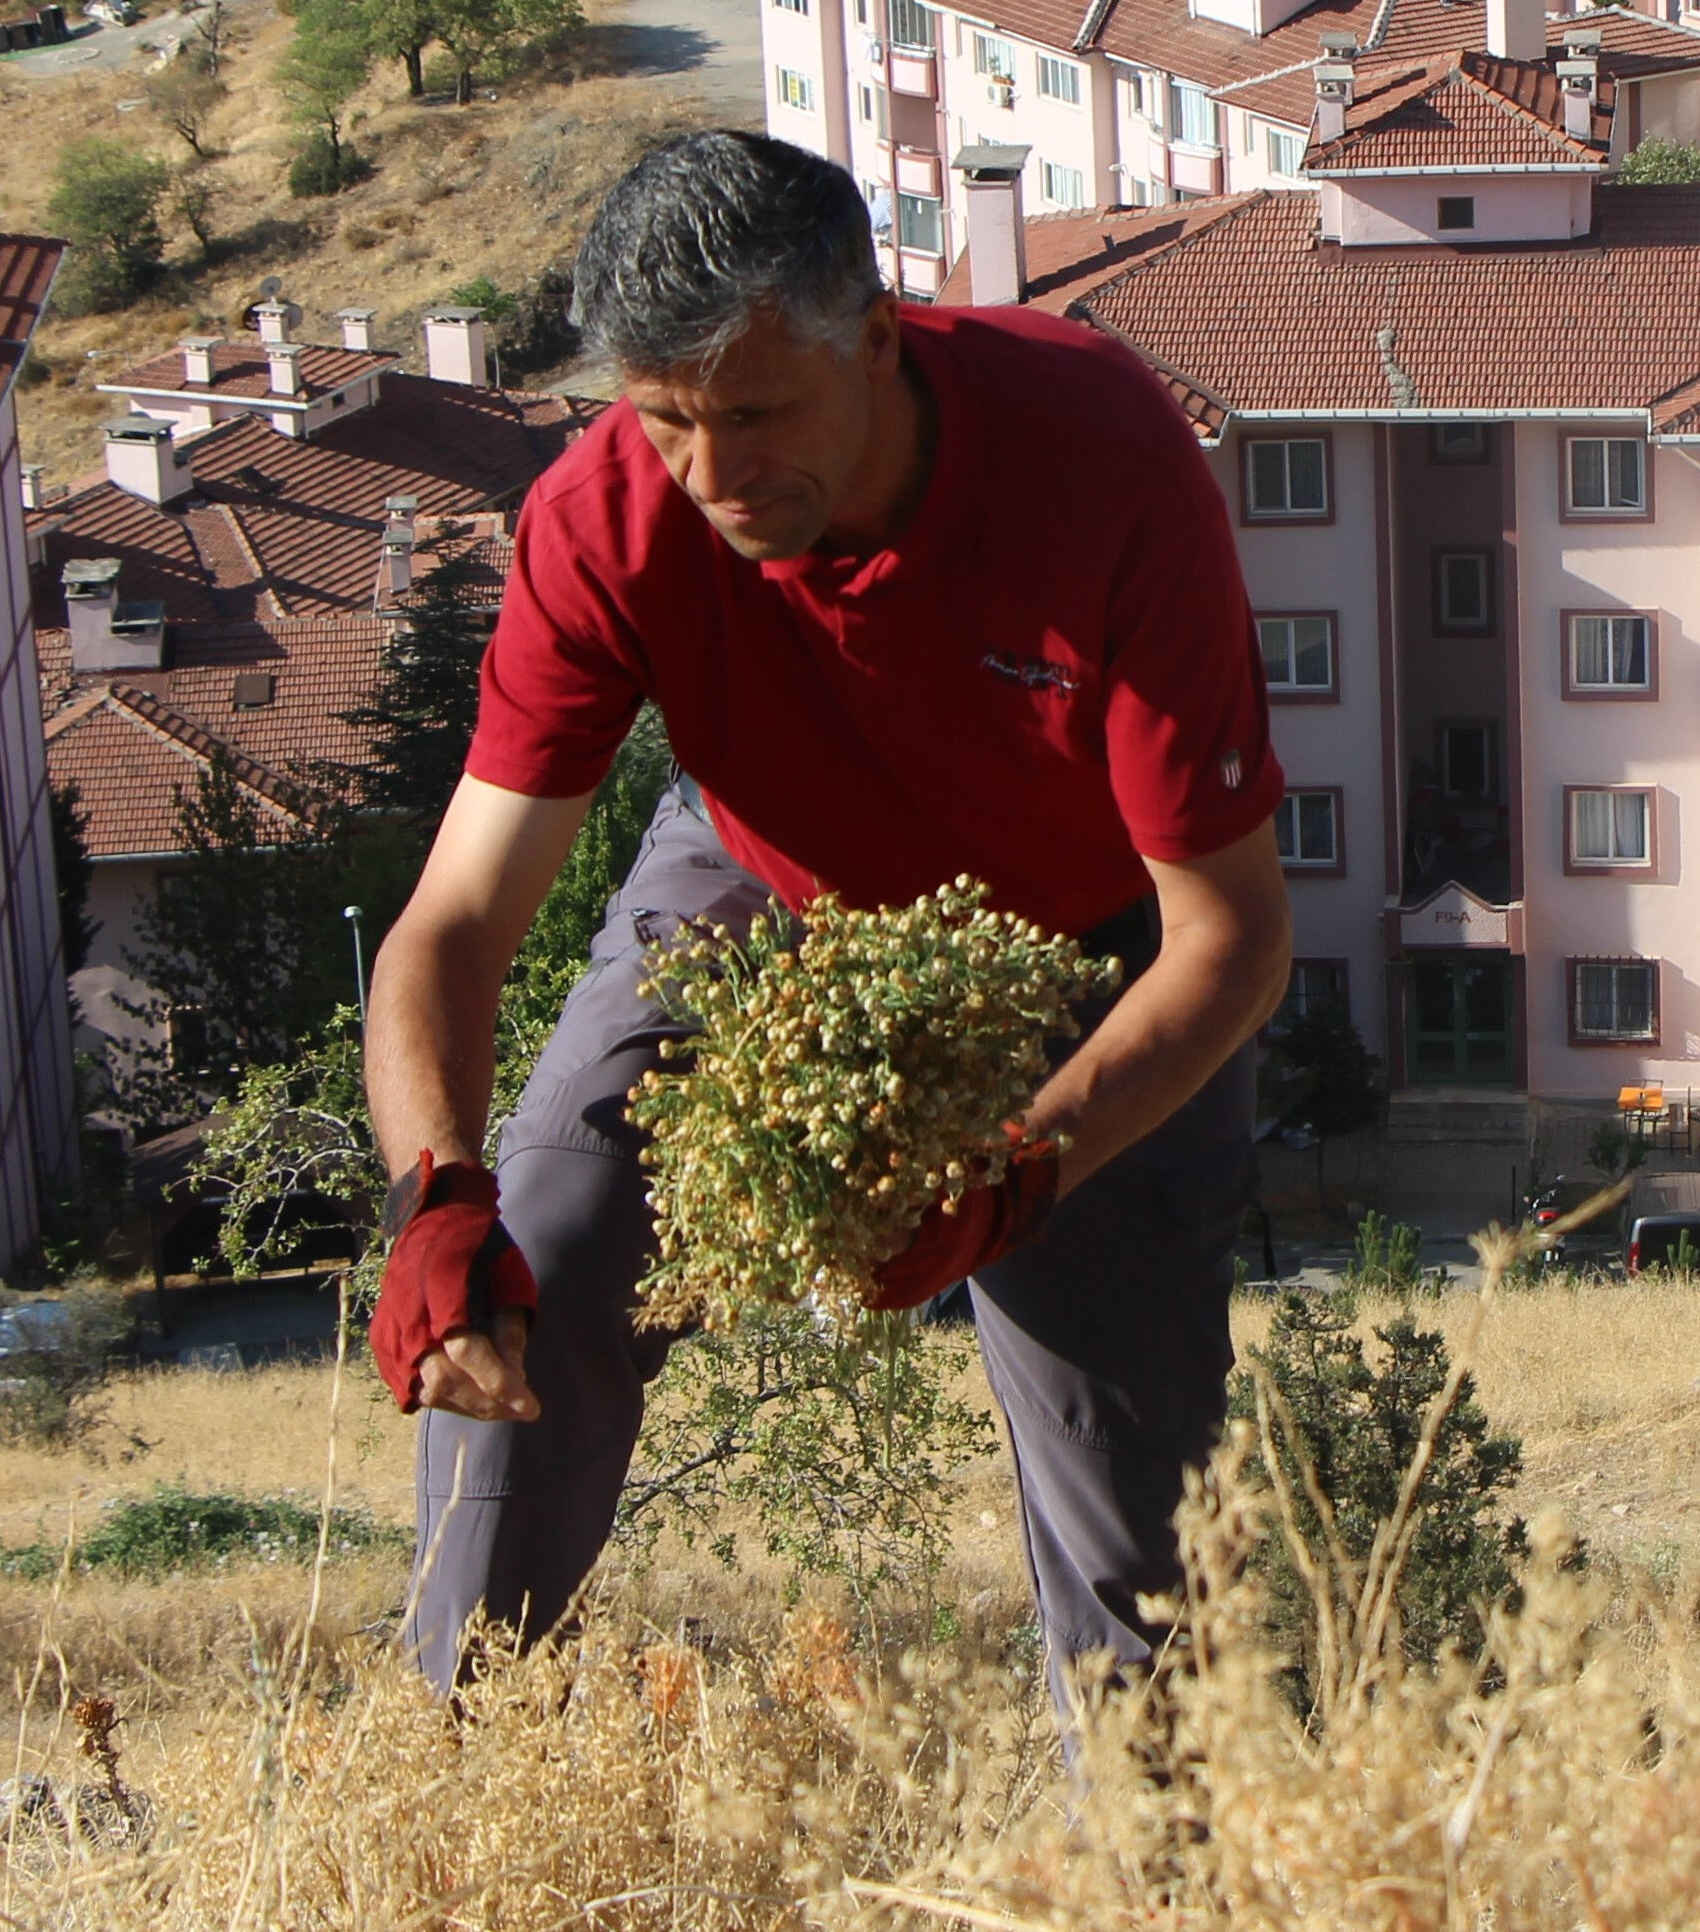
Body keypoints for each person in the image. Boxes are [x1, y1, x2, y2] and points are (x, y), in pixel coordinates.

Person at [358, 132, 1294, 1691]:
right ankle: (455, 1756)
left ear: (875, 338)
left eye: (755, 415)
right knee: (544, 1245)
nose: (712, 478)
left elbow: (1234, 936)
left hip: (1089, 944)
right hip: (764, 866)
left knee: (1127, 1505)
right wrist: (435, 1199)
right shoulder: (604, 519)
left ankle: (1150, 1846)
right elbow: (451, 919)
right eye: (666, 420)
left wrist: (1014, 1173)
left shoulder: (1098, 462)